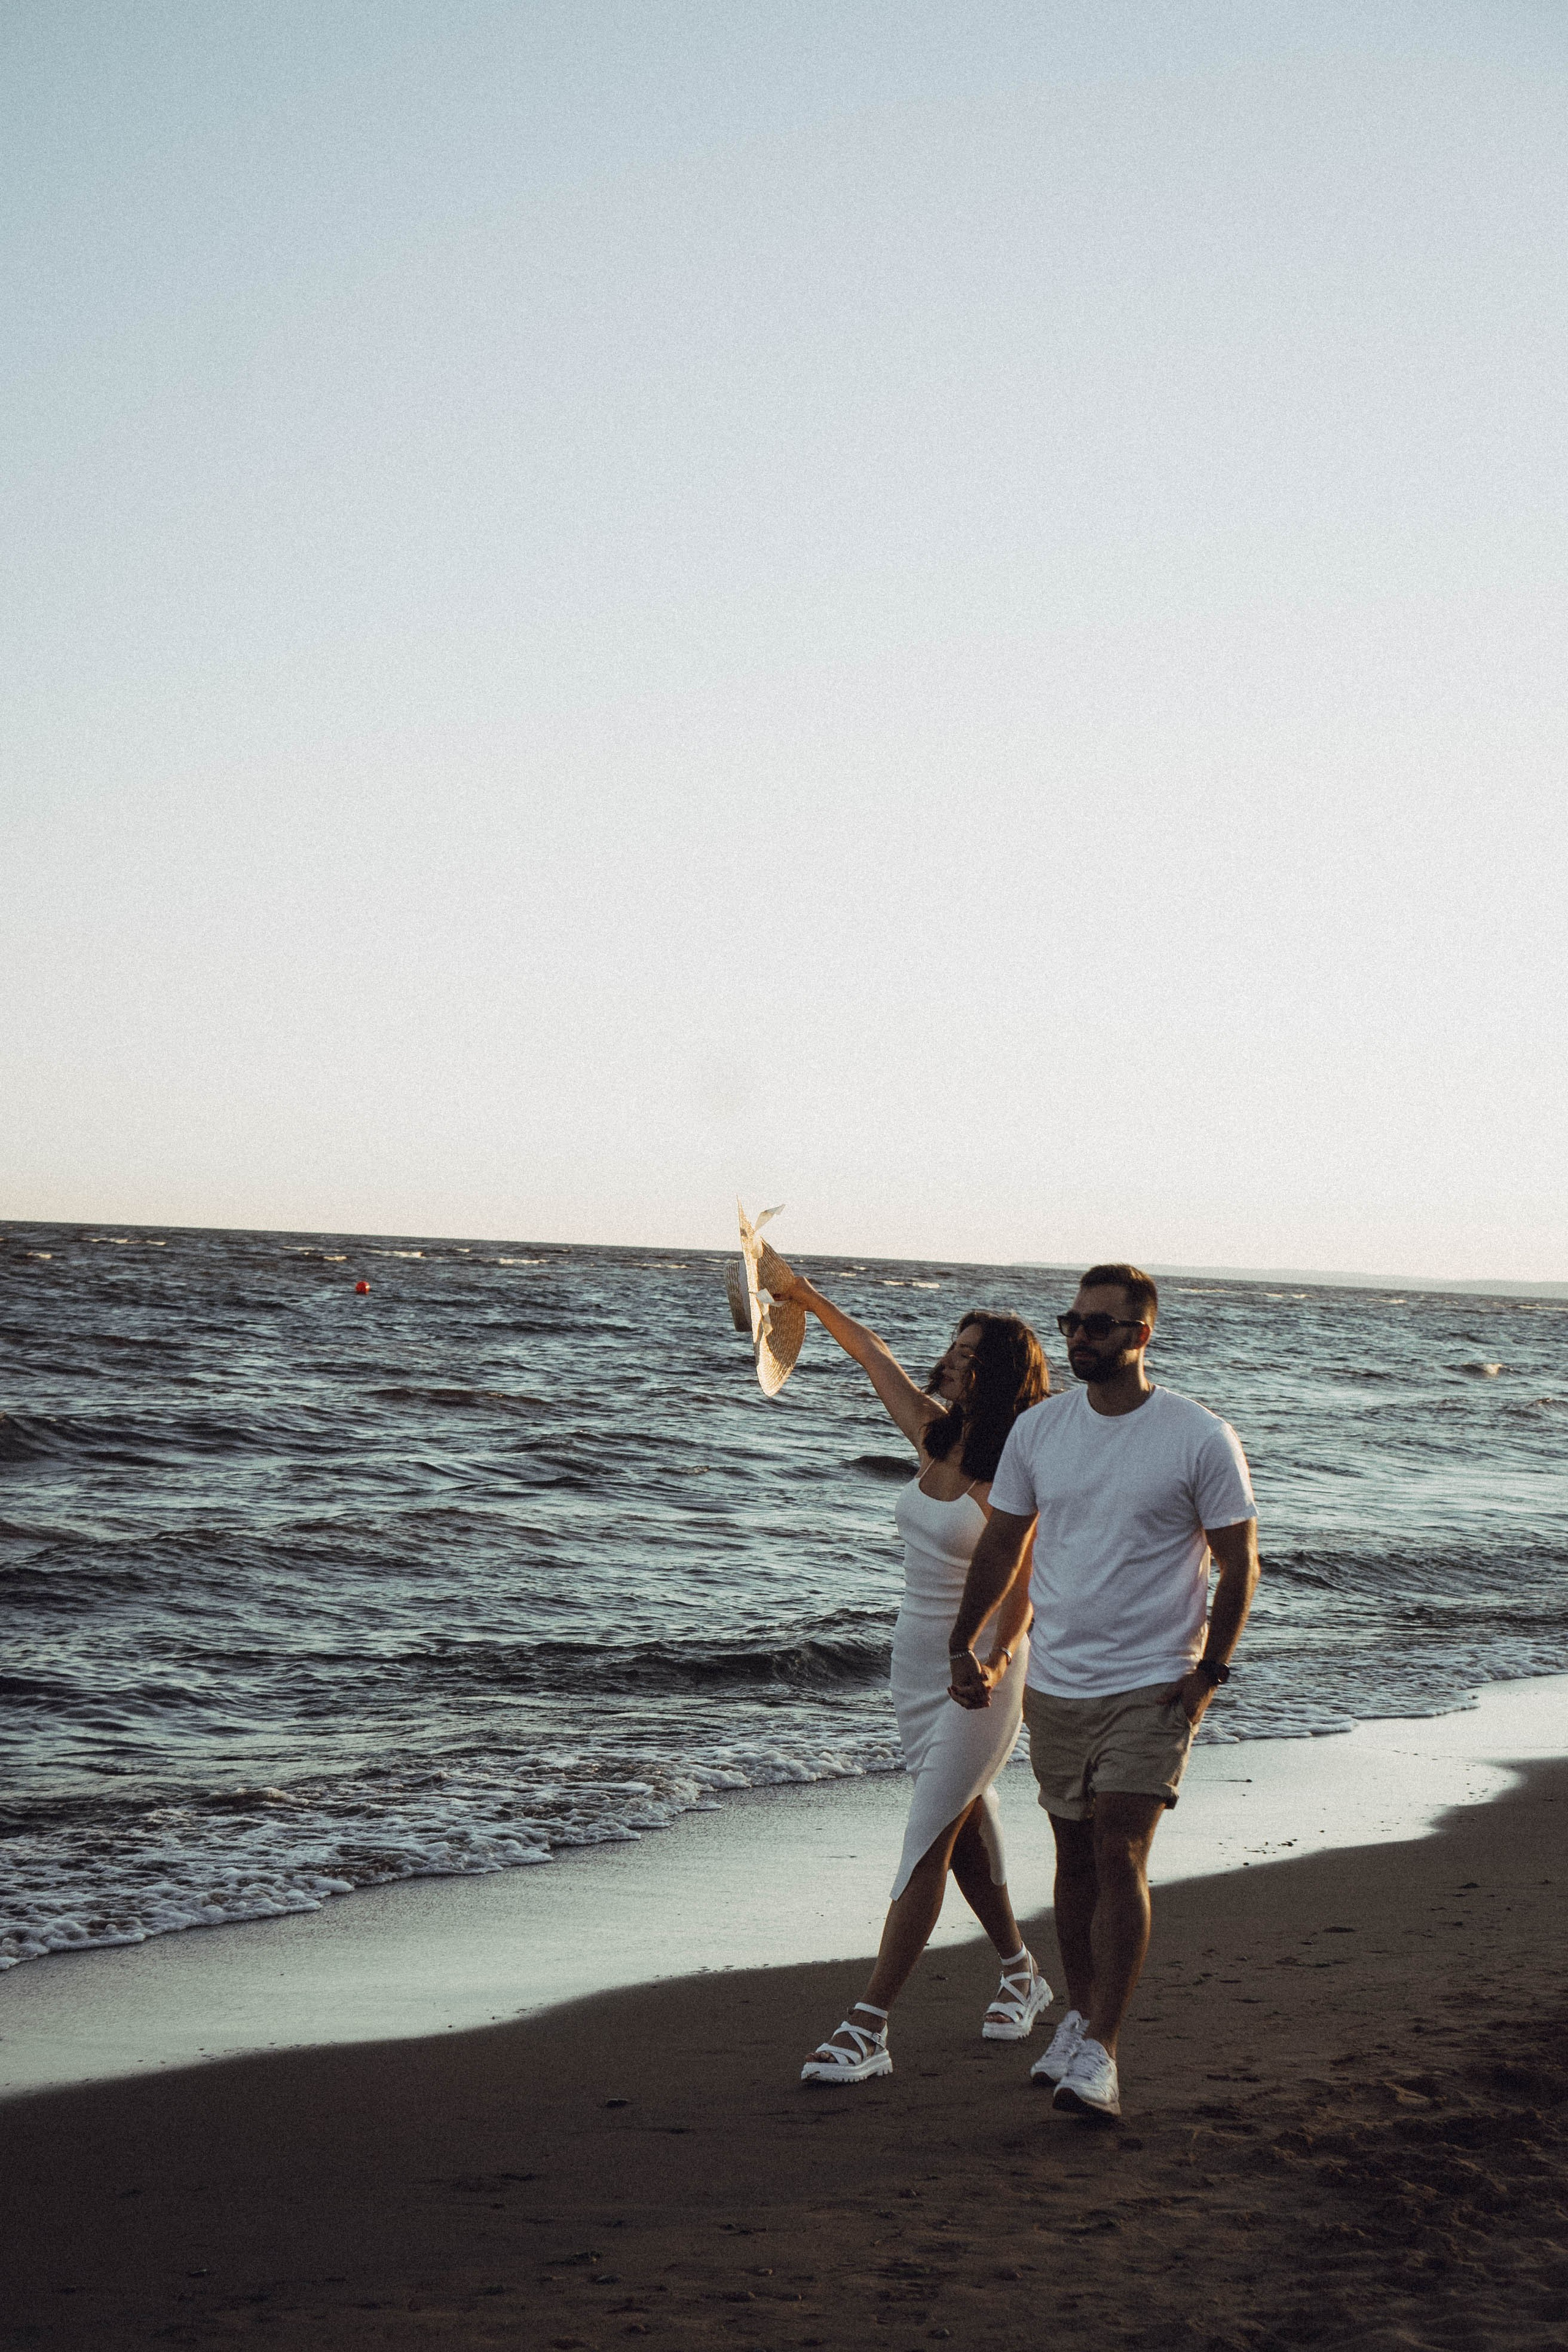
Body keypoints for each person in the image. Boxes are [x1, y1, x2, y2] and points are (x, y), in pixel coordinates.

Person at [947, 1263, 1259, 2121]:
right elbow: (1004, 1544)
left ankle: (1105, 2054)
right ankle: (1080, 2020)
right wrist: (965, 1641)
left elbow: (1240, 1564)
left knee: (1120, 1849)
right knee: (1076, 1857)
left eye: (1100, 1325)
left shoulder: (1198, 1436)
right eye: (1073, 1322)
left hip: (1154, 1685)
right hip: (1059, 1680)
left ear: (1141, 1336)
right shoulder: (1039, 1431)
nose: (1079, 1337)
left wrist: (1207, 1676)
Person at [763, 1264, 1053, 2082]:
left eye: (968, 1354)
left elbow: (1027, 1580)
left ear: (1000, 1373)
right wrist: (807, 1297)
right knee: (957, 1827)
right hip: (914, 1662)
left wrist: (993, 1657)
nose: (951, 1361)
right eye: (953, 1348)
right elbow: (872, 1354)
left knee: (928, 1833)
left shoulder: (1015, 1468)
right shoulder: (935, 1433)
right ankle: (1023, 1974)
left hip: (983, 1672)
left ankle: (869, 2027)